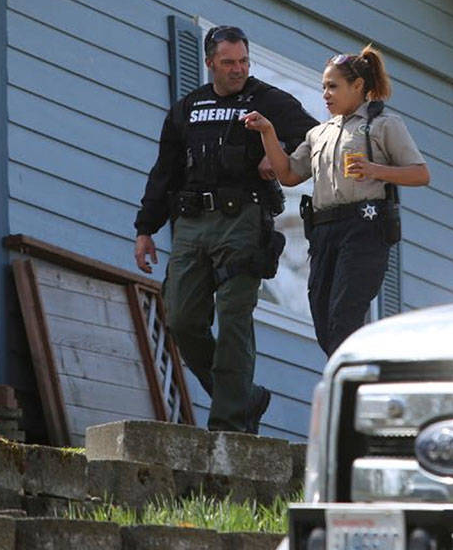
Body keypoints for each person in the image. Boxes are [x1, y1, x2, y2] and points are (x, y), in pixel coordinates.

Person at [134, 25, 317, 433]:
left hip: (243, 221)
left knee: (234, 318)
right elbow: (164, 172)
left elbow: (313, 137)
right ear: (209, 63)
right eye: (228, 62)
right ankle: (243, 398)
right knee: (181, 318)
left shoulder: (268, 100)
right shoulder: (187, 108)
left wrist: (279, 152)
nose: (238, 70)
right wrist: (145, 229)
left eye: (244, 61)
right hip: (191, 225)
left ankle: (228, 425)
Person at [243, 46, 429, 355]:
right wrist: (268, 132)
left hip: (363, 229)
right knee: (323, 320)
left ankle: (353, 379)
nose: (326, 94)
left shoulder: (383, 124)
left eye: (333, 86)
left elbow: (420, 174)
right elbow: (288, 175)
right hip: (324, 232)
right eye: (323, 87)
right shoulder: (319, 133)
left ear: (358, 86)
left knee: (344, 318)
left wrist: (375, 170)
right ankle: (354, 374)